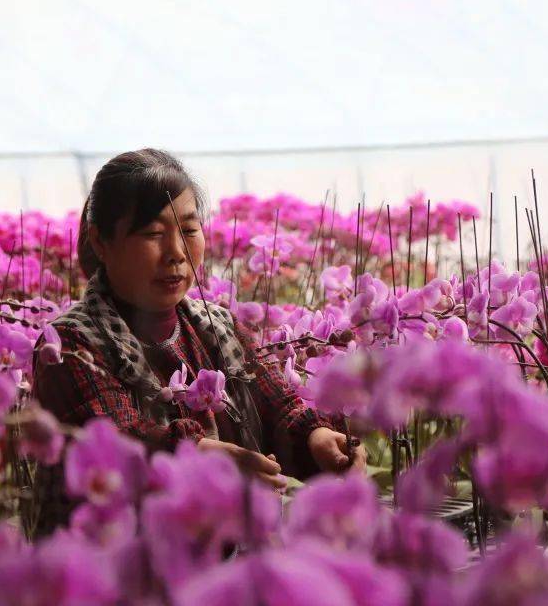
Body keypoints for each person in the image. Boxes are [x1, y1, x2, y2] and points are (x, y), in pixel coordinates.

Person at [30, 148, 365, 535]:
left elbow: (277, 405)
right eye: (153, 234)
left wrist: (317, 439)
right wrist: (196, 459)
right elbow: (117, 443)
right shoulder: (70, 344)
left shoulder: (216, 327)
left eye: (189, 230)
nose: (177, 253)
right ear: (101, 242)